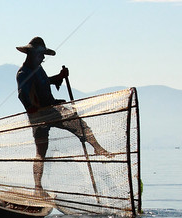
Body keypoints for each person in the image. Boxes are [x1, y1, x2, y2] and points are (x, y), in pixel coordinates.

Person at [15, 36, 111, 193]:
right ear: (31, 54)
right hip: (39, 116)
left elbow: (45, 82)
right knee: (41, 152)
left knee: (78, 122)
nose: (43, 57)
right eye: (41, 55)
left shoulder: (38, 69)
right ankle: (38, 187)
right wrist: (31, 107)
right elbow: (22, 94)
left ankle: (97, 147)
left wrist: (59, 77)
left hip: (51, 109)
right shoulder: (23, 72)